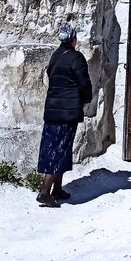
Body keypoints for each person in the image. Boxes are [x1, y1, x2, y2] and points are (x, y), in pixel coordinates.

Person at [36, 24, 92, 208]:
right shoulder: (77, 57)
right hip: (67, 112)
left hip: (52, 109)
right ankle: (44, 192)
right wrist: (86, 98)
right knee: (60, 150)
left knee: (59, 148)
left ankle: (57, 189)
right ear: (74, 40)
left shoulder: (55, 56)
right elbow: (84, 83)